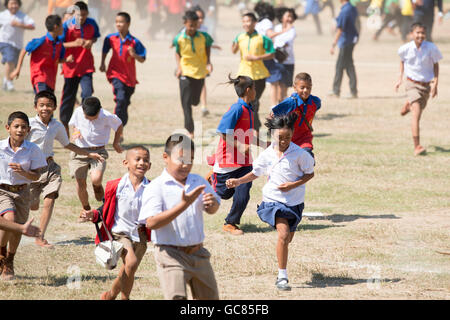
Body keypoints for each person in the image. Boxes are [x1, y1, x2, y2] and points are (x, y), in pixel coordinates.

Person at [226, 113, 314, 291]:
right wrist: (238, 181)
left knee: (287, 238)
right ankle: (282, 277)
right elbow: (256, 173)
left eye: (287, 137)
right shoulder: (267, 154)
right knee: (283, 234)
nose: (283, 141)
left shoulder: (299, 154)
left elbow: (310, 173)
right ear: (272, 135)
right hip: (273, 201)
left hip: (294, 202)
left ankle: (281, 256)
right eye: (280, 138)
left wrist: (293, 184)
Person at [139, 134, 221, 300]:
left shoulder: (198, 181)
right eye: (181, 159)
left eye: (190, 159)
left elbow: (213, 209)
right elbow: (151, 222)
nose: (186, 165)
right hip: (170, 255)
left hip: (199, 254)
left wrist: (212, 204)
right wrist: (183, 205)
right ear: (165, 157)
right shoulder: (156, 187)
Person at [26, 91, 104, 248]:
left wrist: (88, 153)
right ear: (35, 107)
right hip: (31, 170)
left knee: (50, 200)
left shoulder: (56, 126)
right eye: (41, 105)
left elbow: (68, 144)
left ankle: (40, 237)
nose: (45, 108)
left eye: (49, 105)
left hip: (50, 168)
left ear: (54, 107)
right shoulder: (28, 125)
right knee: (32, 205)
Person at [80, 146, 152, 300]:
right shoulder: (116, 186)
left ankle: (109, 296)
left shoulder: (152, 188)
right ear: (126, 162)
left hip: (140, 235)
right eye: (137, 159)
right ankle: (125, 298)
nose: (142, 163)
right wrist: (92, 214)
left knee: (128, 269)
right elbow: (105, 208)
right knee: (131, 262)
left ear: (150, 165)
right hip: (119, 233)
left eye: (146, 160)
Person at [209, 75, 266, 236]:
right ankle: (212, 179)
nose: (256, 91)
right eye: (254, 88)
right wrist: (240, 146)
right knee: (224, 194)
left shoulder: (249, 108)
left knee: (244, 189)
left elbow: (247, 135)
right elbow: (222, 132)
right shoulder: (237, 109)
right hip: (228, 161)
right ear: (248, 90)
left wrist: (264, 144)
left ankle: (230, 223)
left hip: (244, 162)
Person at [0, 111, 47, 281]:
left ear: (28, 130)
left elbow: (37, 176)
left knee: (19, 228)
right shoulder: (0, 147)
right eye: (16, 126)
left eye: (24, 127)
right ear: (8, 128)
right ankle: (2, 254)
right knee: (9, 220)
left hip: (22, 192)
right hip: (2, 190)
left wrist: (24, 172)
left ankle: (10, 259)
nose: (20, 130)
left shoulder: (33, 149)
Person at [68, 96, 123, 215]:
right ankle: (86, 208)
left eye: (94, 118)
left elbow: (119, 125)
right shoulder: (78, 111)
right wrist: (76, 131)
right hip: (80, 151)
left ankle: (97, 187)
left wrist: (115, 143)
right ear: (83, 110)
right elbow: (75, 124)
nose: (90, 120)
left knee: (96, 179)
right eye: (87, 118)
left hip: (99, 151)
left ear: (99, 110)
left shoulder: (107, 116)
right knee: (80, 181)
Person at [395, 22, 442, 156]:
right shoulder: (405, 48)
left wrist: (435, 83)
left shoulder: (431, 48)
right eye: (417, 33)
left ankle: (409, 104)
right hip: (411, 84)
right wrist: (400, 78)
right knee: (417, 114)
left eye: (422, 33)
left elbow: (436, 65)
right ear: (411, 34)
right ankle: (417, 146)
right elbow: (402, 61)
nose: (420, 35)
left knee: (419, 108)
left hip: (425, 86)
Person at [100, 12, 146, 139]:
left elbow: (143, 59)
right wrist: (103, 63)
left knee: (124, 103)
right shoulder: (110, 38)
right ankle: (118, 131)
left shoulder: (134, 42)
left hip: (130, 79)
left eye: (121, 22)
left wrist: (134, 55)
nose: (118, 24)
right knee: (120, 99)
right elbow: (105, 50)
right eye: (116, 22)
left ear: (128, 24)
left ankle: (120, 128)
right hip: (115, 74)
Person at [59, 1, 101, 137]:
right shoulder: (67, 25)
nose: (81, 18)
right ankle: (65, 124)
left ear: (87, 13)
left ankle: (83, 123)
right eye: (78, 15)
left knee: (88, 94)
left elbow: (95, 37)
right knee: (68, 97)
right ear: (73, 14)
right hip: (70, 67)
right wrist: (74, 43)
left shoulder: (92, 23)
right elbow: (59, 44)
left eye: (83, 15)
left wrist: (91, 41)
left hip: (86, 66)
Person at [232, 12, 275, 136]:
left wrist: (256, 57)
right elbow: (234, 50)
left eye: (249, 21)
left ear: (255, 23)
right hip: (243, 75)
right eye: (244, 21)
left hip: (258, 75)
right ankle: (247, 127)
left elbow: (272, 54)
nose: (246, 24)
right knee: (244, 102)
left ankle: (254, 128)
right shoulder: (240, 37)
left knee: (253, 101)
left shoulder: (263, 38)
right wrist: (234, 43)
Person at [173, 10, 214, 138]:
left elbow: (208, 47)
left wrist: (208, 61)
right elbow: (177, 52)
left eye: (195, 25)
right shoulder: (179, 38)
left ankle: (195, 101)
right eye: (190, 25)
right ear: (185, 23)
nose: (192, 28)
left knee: (195, 101)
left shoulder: (204, 36)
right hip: (185, 72)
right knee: (185, 103)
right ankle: (190, 130)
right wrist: (179, 67)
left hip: (200, 72)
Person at [11, 15, 74, 94]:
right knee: (43, 100)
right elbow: (24, 50)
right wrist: (17, 69)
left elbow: (57, 60)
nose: (63, 28)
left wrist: (66, 59)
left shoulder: (59, 44)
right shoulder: (41, 41)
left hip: (51, 81)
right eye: (61, 25)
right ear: (55, 27)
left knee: (47, 104)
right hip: (39, 78)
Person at [271, 72, 321, 158]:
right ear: (295, 88)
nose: (305, 90)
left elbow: (316, 108)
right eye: (302, 87)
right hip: (288, 140)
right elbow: (272, 115)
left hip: (305, 138)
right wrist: (278, 135)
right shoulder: (289, 102)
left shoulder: (316, 101)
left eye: (308, 88)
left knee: (307, 157)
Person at [254, 1, 288, 107]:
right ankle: (274, 106)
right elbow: (270, 34)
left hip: (258, 54)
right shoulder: (267, 22)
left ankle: (252, 103)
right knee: (274, 81)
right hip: (266, 54)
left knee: (258, 81)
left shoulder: (258, 23)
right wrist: (283, 31)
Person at [0, 0, 35, 92]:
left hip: (18, 45)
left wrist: (20, 24)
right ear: (7, 5)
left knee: (15, 65)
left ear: (19, 5)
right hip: (5, 42)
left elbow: (32, 26)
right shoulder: (2, 15)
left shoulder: (22, 16)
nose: (14, 6)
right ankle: (9, 82)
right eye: (11, 4)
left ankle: (5, 80)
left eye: (15, 4)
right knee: (10, 60)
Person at [329, 0, 359, 99]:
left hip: (346, 41)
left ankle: (336, 90)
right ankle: (352, 91)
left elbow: (340, 29)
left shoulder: (344, 11)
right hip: (351, 39)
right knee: (348, 65)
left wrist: (333, 44)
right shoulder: (352, 8)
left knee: (340, 66)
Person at [273, 7, 297, 101]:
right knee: (278, 87)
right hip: (277, 61)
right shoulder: (277, 27)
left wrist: (278, 43)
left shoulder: (292, 29)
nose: (289, 19)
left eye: (291, 16)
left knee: (284, 88)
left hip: (288, 61)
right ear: (282, 17)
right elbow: (274, 40)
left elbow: (287, 41)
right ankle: (279, 107)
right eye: (288, 16)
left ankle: (282, 107)